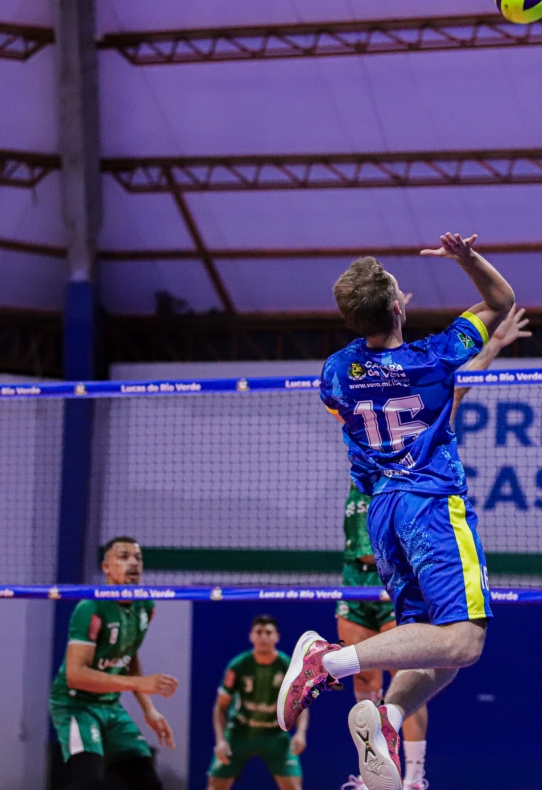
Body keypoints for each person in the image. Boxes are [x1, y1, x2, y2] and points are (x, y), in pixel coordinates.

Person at [278, 232, 516, 790]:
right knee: (465, 640)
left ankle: (387, 715)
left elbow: (345, 406)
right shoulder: (435, 356)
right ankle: (327, 661)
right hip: (430, 503)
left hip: (381, 510)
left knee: (429, 643)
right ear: (397, 307)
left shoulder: (337, 370)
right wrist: (466, 259)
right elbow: (502, 301)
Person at [336, 306, 531, 790]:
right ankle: (329, 665)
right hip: (408, 525)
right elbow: (492, 307)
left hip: (390, 527)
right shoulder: (417, 384)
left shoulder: (348, 385)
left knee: (441, 655)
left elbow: (453, 389)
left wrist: (494, 347)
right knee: (457, 643)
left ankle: (395, 741)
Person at [49, 535, 179, 790]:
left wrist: (149, 709)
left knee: (148, 784)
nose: (133, 563)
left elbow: (129, 656)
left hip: (110, 706)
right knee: (89, 784)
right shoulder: (90, 607)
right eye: (124, 557)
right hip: (76, 705)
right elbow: (76, 675)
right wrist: (139, 683)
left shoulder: (145, 606)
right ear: (106, 567)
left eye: (138, 558)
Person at [209, 616, 307, 790]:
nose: (263, 637)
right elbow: (220, 707)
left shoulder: (287, 666)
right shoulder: (238, 665)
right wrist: (221, 740)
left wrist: (300, 734)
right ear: (251, 636)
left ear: (277, 637)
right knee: (215, 786)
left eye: (268, 632)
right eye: (259, 632)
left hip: (275, 734)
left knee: (293, 787)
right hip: (239, 732)